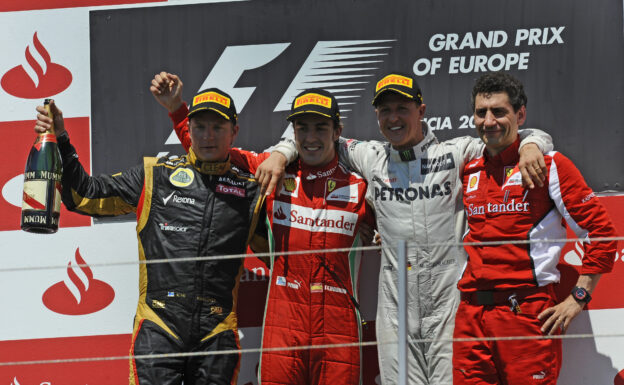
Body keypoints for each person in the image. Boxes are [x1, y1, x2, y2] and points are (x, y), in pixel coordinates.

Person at [262, 72, 554, 385]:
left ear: (422, 111)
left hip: (448, 304)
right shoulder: (370, 156)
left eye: (402, 108)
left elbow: (519, 135)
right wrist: (281, 154)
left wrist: (531, 146)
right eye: (385, 110)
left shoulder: (456, 153)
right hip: (395, 308)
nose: (393, 118)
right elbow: (313, 136)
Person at [151, 72, 374, 385]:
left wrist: (374, 231)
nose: (310, 137)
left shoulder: (361, 187)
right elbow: (211, 151)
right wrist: (177, 109)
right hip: (283, 320)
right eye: (302, 128)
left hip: (339, 325)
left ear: (337, 131)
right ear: (292, 133)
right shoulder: (270, 172)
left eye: (320, 128)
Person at [34, 92, 268, 385]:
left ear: (234, 131)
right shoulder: (154, 177)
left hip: (216, 331)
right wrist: (63, 139)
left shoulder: (251, 193)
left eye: (218, 127)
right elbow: (84, 195)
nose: (208, 136)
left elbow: (286, 256)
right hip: (159, 326)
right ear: (188, 129)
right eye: (199, 126)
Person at [452, 72, 617, 385]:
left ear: (520, 114)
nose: (488, 121)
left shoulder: (550, 165)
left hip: (525, 312)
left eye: (499, 112)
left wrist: (579, 296)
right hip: (470, 315)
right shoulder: (468, 167)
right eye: (480, 112)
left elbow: (602, 233)